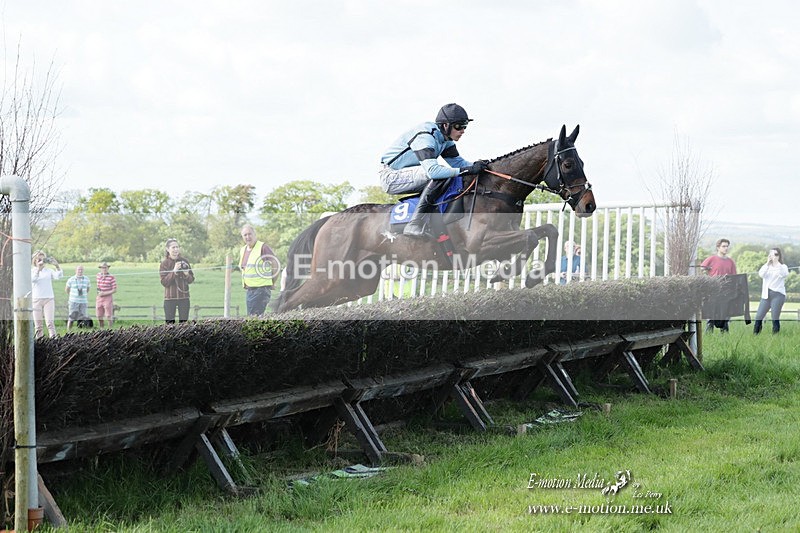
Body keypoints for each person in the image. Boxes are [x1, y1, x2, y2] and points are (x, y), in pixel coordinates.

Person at [379, 103, 488, 238]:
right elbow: (433, 172)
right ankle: (414, 224)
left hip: (411, 174)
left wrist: (482, 167)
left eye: (465, 126)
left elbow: (459, 163)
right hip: (391, 177)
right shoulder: (425, 136)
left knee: (452, 177)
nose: (463, 131)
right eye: (459, 126)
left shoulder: (445, 140)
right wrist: (467, 170)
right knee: (440, 174)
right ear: (445, 125)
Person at [239, 224, 279, 316]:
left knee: (254, 318)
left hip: (261, 290)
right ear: (242, 237)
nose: (248, 237)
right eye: (245, 235)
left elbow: (275, 264)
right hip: (250, 290)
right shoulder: (243, 250)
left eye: (250, 234)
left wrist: (272, 281)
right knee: (252, 317)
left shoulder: (263, 247)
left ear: (254, 234)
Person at [700, 238, 737, 332]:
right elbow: (702, 269)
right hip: (713, 289)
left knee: (724, 312)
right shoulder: (712, 259)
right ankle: (709, 332)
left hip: (726, 291)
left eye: (727, 246)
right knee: (712, 312)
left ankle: (724, 335)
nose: (726, 248)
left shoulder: (730, 261)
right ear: (718, 247)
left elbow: (734, 276)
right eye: (723, 246)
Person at [753, 247, 789, 335]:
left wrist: (777, 263)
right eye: (772, 254)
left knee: (775, 317)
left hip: (778, 295)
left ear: (779, 256)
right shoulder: (766, 267)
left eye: (776, 254)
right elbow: (761, 274)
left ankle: (775, 336)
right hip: (766, 295)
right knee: (758, 316)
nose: (774, 256)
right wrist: (767, 263)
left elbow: (783, 274)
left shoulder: (783, 267)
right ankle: (755, 336)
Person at [159, 238, 194, 323]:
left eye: (177, 247)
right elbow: (164, 282)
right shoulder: (164, 264)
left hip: (184, 297)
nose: (176, 249)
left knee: (184, 324)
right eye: (173, 247)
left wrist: (186, 274)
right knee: (170, 325)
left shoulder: (185, 261)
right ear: (168, 249)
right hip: (170, 298)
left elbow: (191, 279)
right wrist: (174, 271)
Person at [31, 250, 63, 338]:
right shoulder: (32, 271)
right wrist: (38, 269)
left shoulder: (48, 271)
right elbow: (33, 280)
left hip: (48, 299)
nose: (41, 261)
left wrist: (57, 266)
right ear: (35, 260)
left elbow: (58, 276)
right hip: (36, 300)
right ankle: (40, 342)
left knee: (50, 323)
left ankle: (54, 341)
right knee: (38, 325)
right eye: (39, 259)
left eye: (42, 259)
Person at [65, 265, 91, 329]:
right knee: (71, 317)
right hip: (73, 301)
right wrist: (73, 296)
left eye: (81, 269)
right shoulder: (71, 279)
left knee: (83, 317)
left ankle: (81, 331)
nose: (80, 271)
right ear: (75, 270)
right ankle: (68, 331)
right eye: (79, 269)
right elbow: (67, 290)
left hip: (83, 302)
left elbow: (88, 289)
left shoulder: (87, 279)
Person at [95, 261, 118, 328]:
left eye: (105, 268)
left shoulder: (111, 277)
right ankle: (101, 328)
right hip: (99, 297)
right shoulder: (98, 275)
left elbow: (114, 289)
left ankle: (110, 328)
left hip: (107, 297)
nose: (104, 269)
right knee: (99, 315)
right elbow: (98, 286)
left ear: (108, 268)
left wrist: (104, 293)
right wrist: (99, 292)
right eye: (102, 268)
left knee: (108, 315)